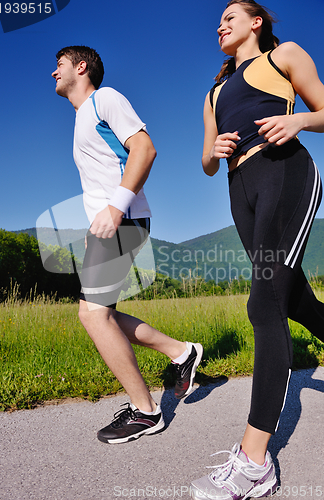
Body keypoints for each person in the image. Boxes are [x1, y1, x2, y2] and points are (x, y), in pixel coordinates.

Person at [190, 1, 324, 498]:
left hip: (285, 171)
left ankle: (254, 463)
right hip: (239, 186)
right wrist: (214, 152)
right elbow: (205, 161)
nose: (221, 24)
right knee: (293, 301)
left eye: (231, 16)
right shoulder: (213, 91)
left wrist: (299, 121)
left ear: (255, 23)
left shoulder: (283, 56)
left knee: (263, 302)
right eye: (218, 20)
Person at [51, 46, 203, 444]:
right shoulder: (82, 117)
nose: (54, 73)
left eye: (59, 65)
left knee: (93, 316)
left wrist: (116, 209)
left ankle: (147, 411)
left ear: (80, 67)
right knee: (97, 313)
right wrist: (97, 221)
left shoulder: (105, 99)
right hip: (108, 225)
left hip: (125, 218)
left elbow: (144, 149)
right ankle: (182, 353)